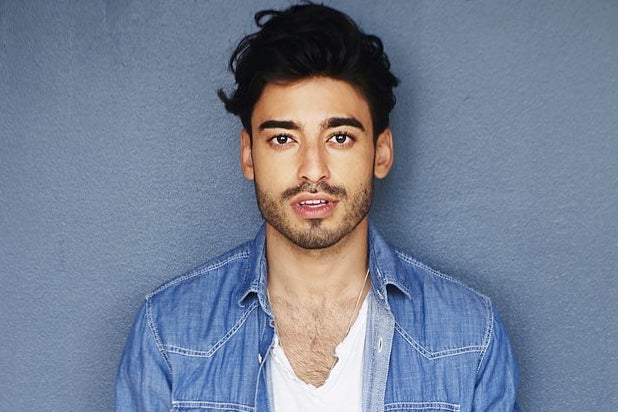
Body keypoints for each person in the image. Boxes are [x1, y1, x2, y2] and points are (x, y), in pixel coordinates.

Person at [115, 3, 521, 411]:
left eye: (340, 137)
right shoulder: (167, 335)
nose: (313, 169)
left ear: (381, 152)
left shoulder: (470, 337)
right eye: (283, 139)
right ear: (248, 155)